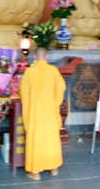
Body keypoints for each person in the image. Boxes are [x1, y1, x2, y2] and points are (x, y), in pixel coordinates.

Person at [18, 48, 65, 181]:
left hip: (35, 112)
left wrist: (29, 107)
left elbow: (24, 93)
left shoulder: (29, 72)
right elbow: (61, 88)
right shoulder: (53, 71)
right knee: (51, 138)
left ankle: (36, 172)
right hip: (49, 111)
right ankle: (54, 168)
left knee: (36, 138)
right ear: (46, 56)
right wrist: (54, 103)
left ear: (35, 57)